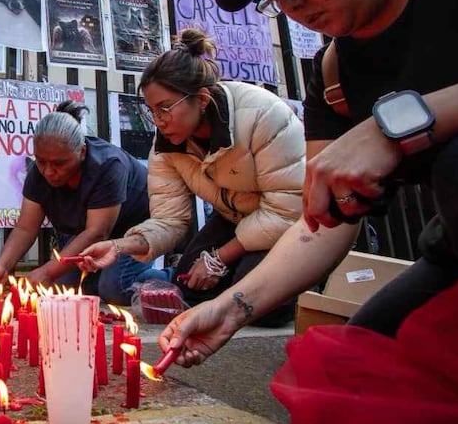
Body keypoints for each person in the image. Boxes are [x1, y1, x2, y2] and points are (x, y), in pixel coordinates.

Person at [157, 0, 458, 369]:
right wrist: (232, 307)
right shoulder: (333, 77)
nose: (291, 5)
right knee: (346, 373)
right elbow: (322, 222)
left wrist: (394, 127)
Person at [80, 30, 306, 325]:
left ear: (201, 99)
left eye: (165, 109)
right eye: (151, 111)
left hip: (291, 220)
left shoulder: (262, 115)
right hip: (233, 217)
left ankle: (306, 279)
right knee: (188, 288)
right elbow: (169, 221)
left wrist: (219, 258)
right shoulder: (166, 146)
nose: (159, 122)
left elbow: (289, 208)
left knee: (260, 303)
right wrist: (118, 246)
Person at [0, 101, 154, 305]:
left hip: (130, 232)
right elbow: (25, 227)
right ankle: (94, 282)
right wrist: (2, 265)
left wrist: (47, 271)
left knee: (115, 288)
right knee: (63, 288)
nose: (48, 171)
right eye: (41, 161)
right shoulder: (38, 174)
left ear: (82, 152)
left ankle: (170, 279)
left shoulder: (108, 165)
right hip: (83, 231)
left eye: (59, 163)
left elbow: (97, 232)